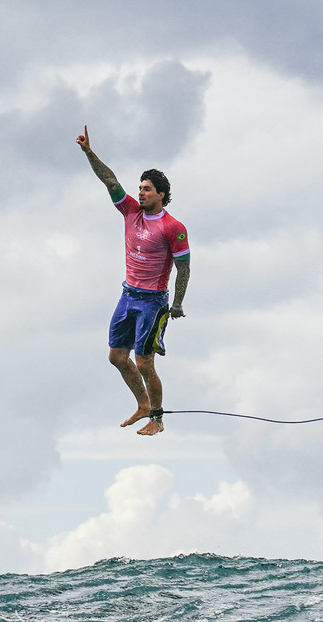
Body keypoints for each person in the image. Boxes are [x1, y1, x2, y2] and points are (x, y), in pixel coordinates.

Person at [76, 125, 191, 436]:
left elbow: (184, 268)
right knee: (116, 356)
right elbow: (110, 180)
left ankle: (157, 417)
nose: (140, 192)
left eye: (147, 189)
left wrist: (177, 302)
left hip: (153, 302)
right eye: (140, 188)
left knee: (144, 362)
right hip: (128, 295)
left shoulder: (173, 227)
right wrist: (89, 152)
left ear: (161, 195)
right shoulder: (130, 212)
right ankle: (142, 404)